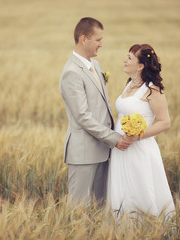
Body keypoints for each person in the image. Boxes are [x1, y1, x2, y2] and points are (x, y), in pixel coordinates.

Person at [59, 17, 133, 206]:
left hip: (103, 150)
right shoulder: (71, 73)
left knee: (98, 209)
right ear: (84, 39)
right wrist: (115, 138)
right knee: (78, 210)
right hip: (83, 154)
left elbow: (102, 107)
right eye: (98, 40)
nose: (101, 44)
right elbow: (83, 117)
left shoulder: (96, 66)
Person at [107, 44, 175, 218]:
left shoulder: (152, 90)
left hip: (139, 150)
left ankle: (149, 231)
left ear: (140, 66)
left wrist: (136, 137)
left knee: (140, 191)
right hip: (120, 149)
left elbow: (165, 122)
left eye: (129, 58)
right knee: (122, 191)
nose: (125, 60)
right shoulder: (129, 85)